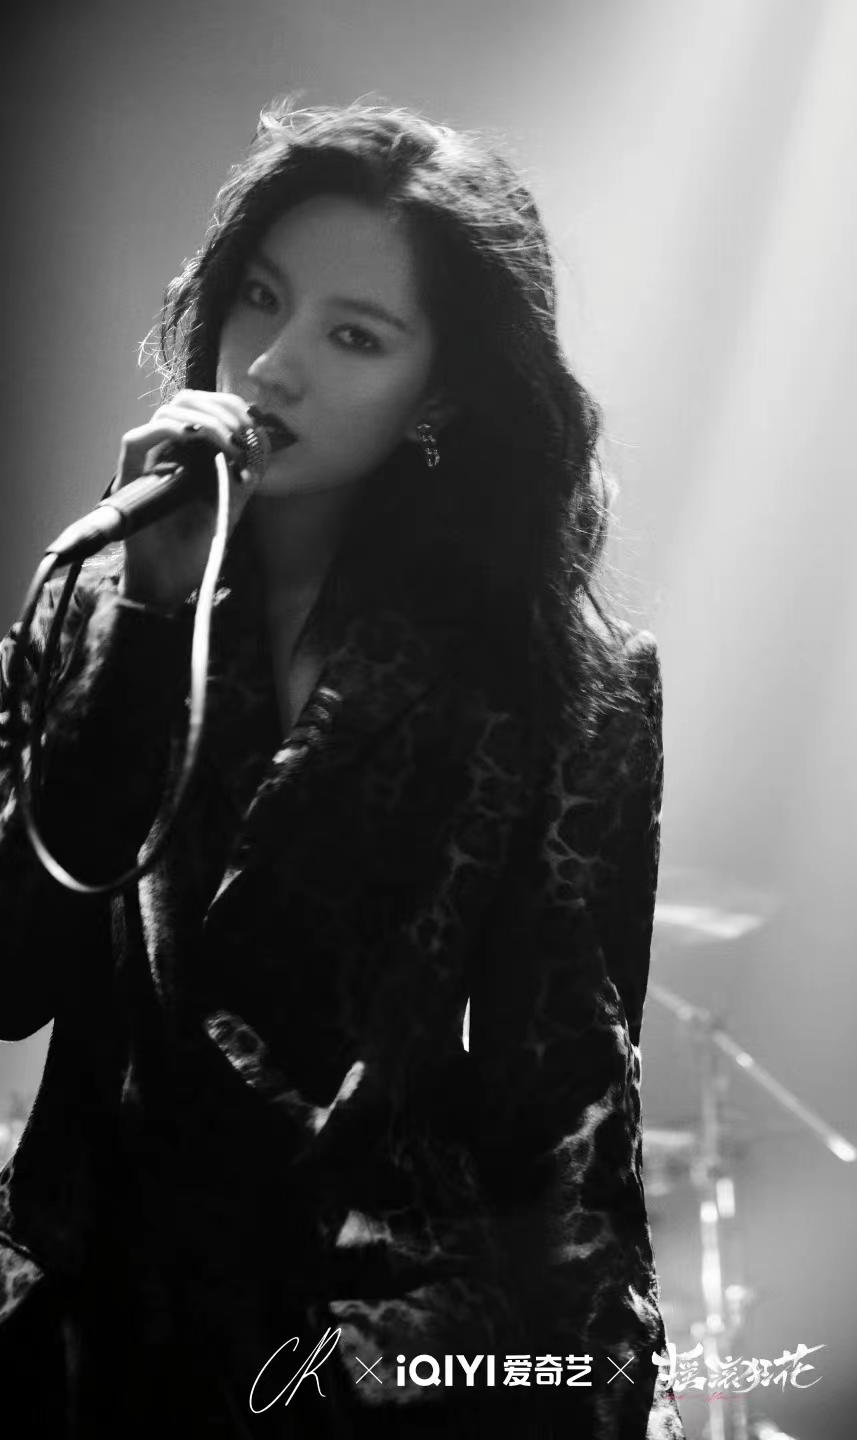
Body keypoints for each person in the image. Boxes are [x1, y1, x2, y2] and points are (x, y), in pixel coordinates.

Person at [0, 100, 683, 1438]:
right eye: (261, 299)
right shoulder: (106, 600)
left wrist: (582, 1390)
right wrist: (147, 625)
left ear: (445, 394)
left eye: (354, 336)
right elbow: (13, 975)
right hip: (86, 1346)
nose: (272, 366)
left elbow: (566, 1114)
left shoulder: (554, 687)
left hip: (358, 1363)